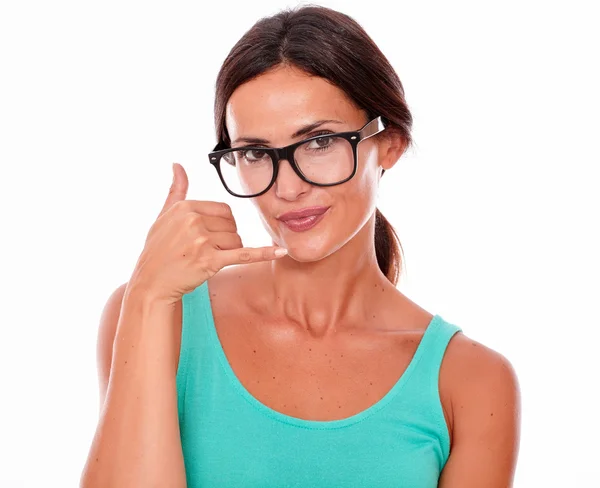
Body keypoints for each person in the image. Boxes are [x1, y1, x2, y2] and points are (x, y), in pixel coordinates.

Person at [80, 5, 521, 487]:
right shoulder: (156, 316)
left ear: (389, 143)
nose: (287, 188)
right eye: (254, 152)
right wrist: (147, 297)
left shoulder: (472, 383)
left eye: (319, 143)